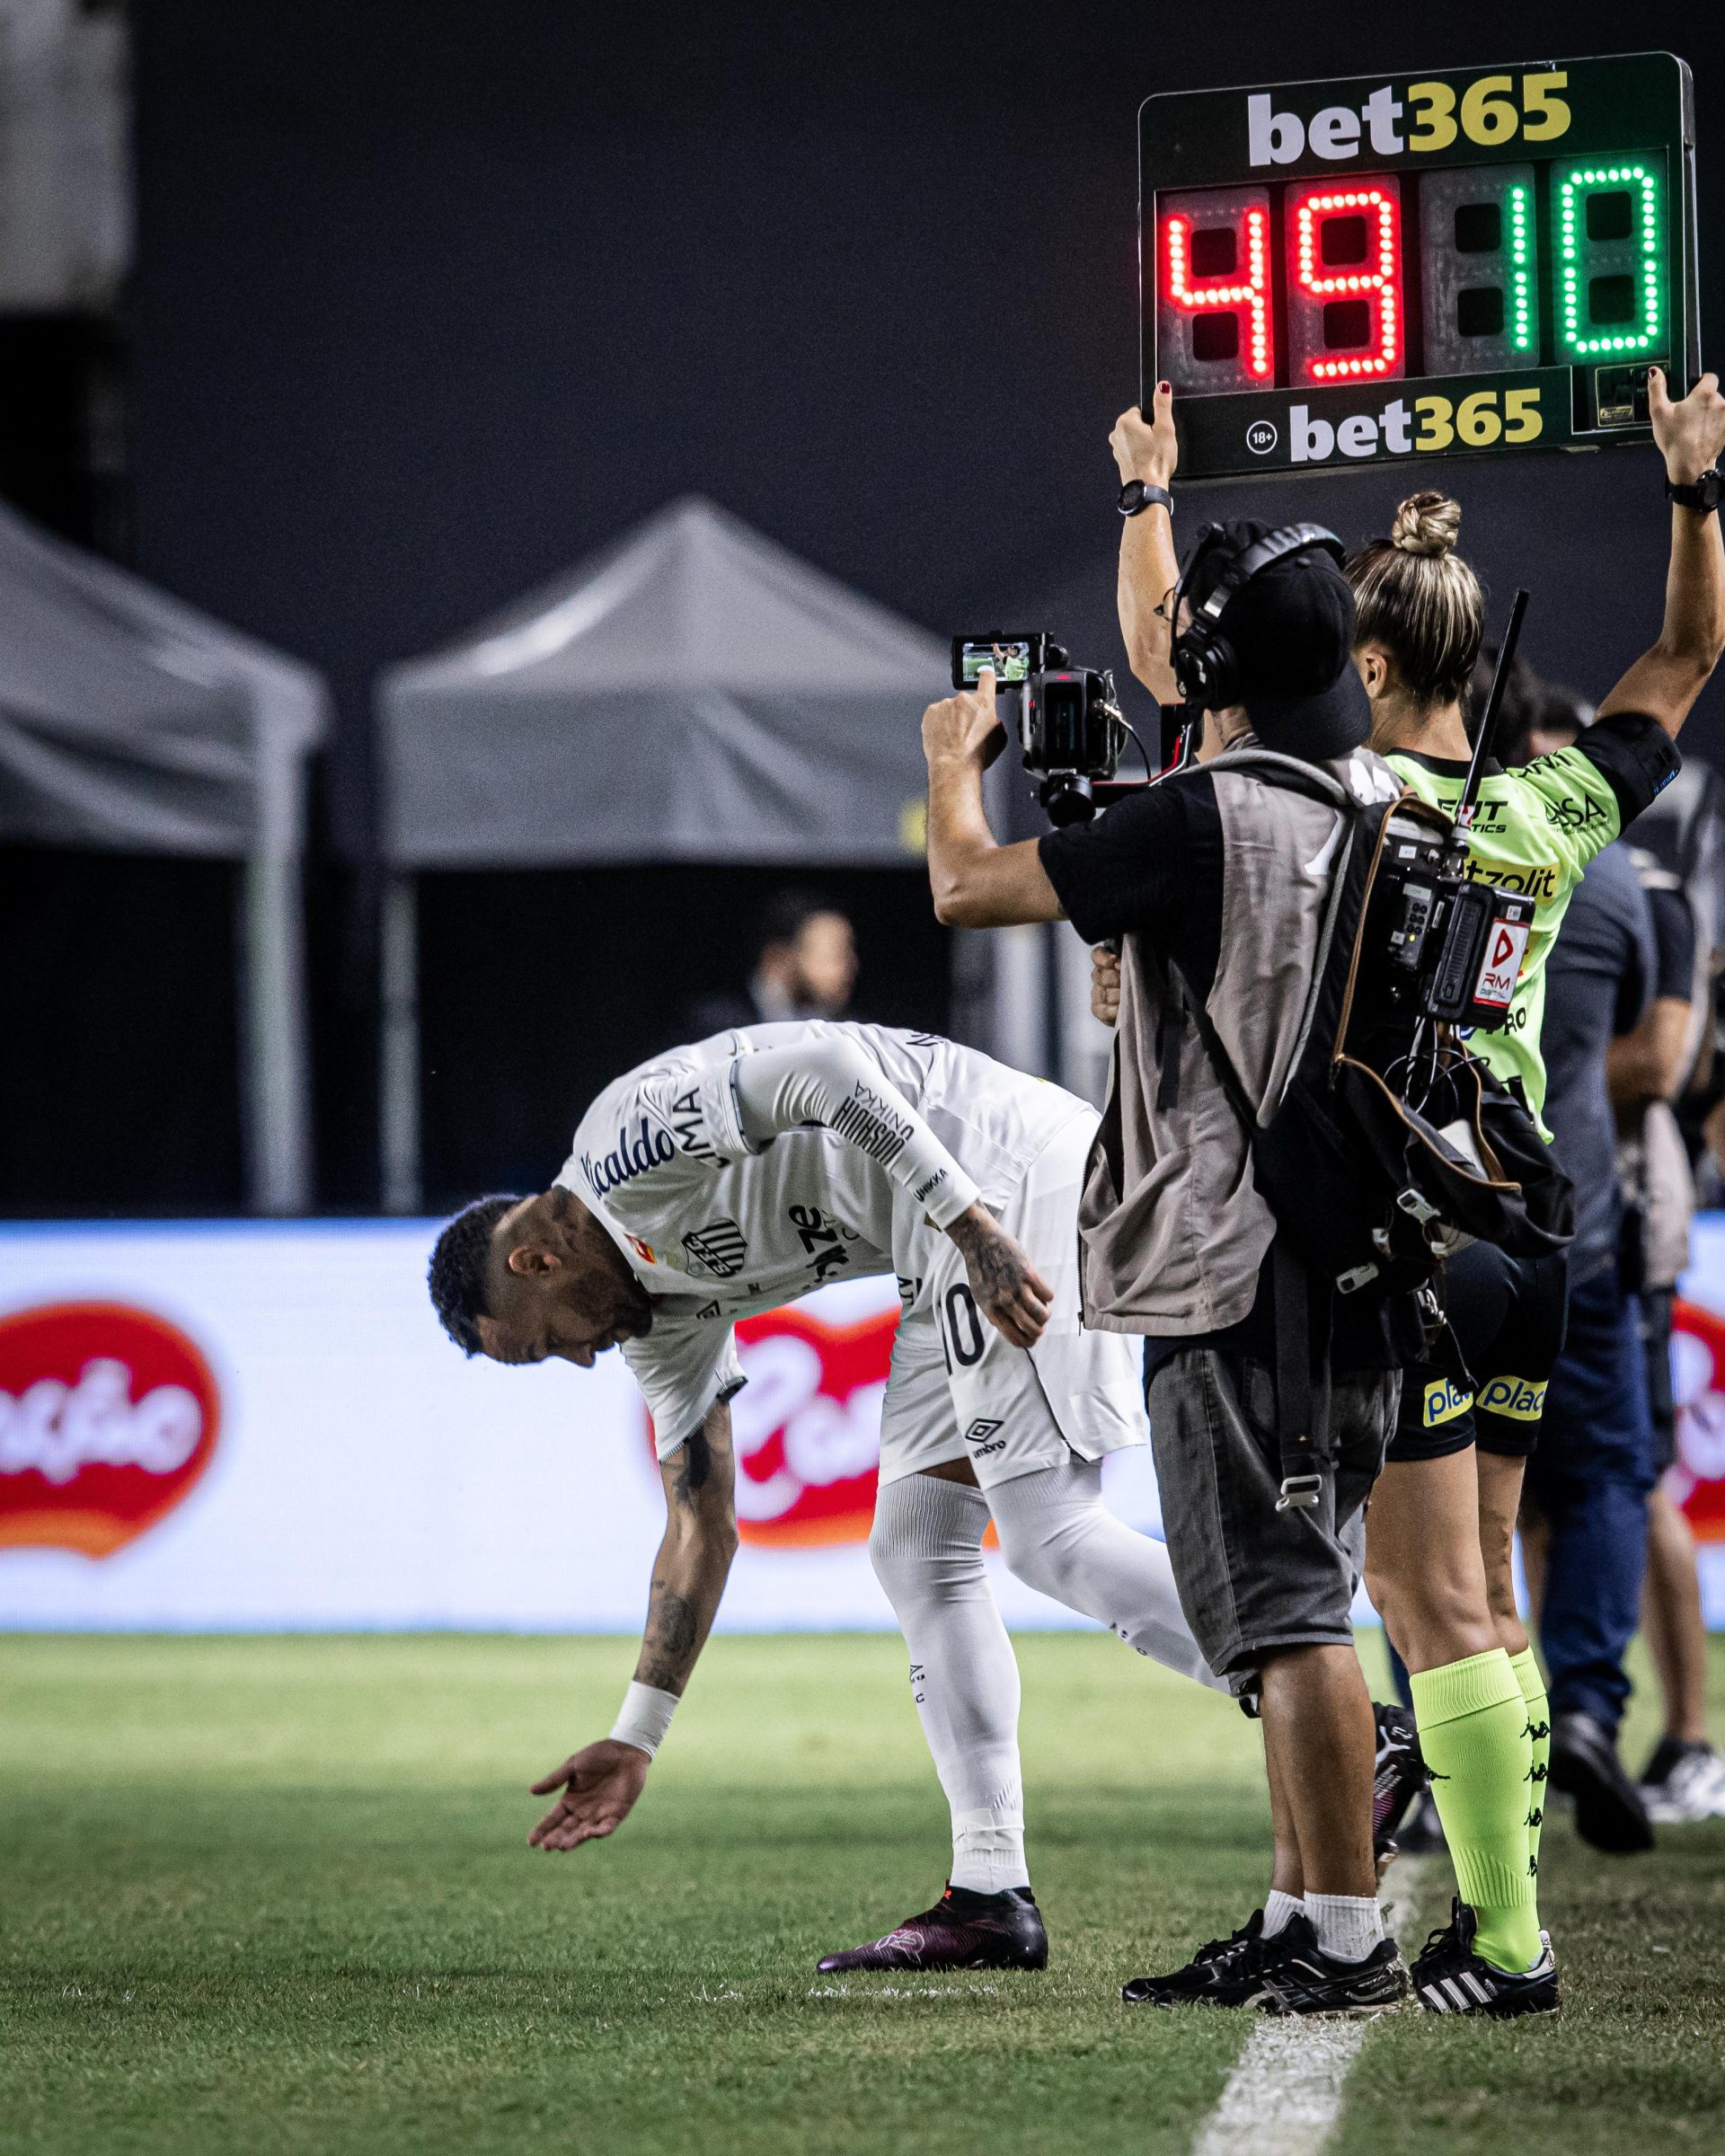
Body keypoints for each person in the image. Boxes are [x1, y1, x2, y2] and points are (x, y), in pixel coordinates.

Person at [1105, 364, 1725, 2014]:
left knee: (1409, 1593)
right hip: (1536, 1224)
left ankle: (1506, 1942)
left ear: (1368, 663)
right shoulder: (1546, 806)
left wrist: (1148, 501)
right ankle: (1485, 1920)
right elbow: (1684, 661)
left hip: (1412, 1234)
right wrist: (1692, 495)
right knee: (1487, 1581)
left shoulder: (1340, 804)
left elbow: (1182, 665)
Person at [427, 1019, 1225, 1974]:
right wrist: (637, 1735)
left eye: (547, 1341)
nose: (583, 1354)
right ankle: (990, 1895)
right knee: (916, 1546)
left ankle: (1332, 1716)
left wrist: (971, 1225)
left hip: (997, 1183)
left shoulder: (621, 1154)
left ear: (535, 1263)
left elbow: (823, 1071)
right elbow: (700, 1524)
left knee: (1048, 1530)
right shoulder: (652, 1322)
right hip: (936, 1244)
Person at [921, 520, 1413, 2014]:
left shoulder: (1207, 814)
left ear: (1209, 668)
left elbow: (965, 886)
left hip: (1233, 1253)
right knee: (1295, 1590)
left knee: (1283, 1612)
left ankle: (1342, 1936)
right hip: (1355, 1242)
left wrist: (955, 759)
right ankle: (1296, 1906)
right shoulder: (1367, 800)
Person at [1614, 817, 1725, 1821]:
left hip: (1623, 1224)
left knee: (1637, 1484)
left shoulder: (1644, 888)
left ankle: (1690, 1738)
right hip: (1534, 1216)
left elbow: (1667, 1066)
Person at [686, 889, 858, 1037]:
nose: (851, 966)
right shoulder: (719, 1028)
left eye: (849, 952)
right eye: (832, 954)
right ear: (777, 959)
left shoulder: (848, 1032)